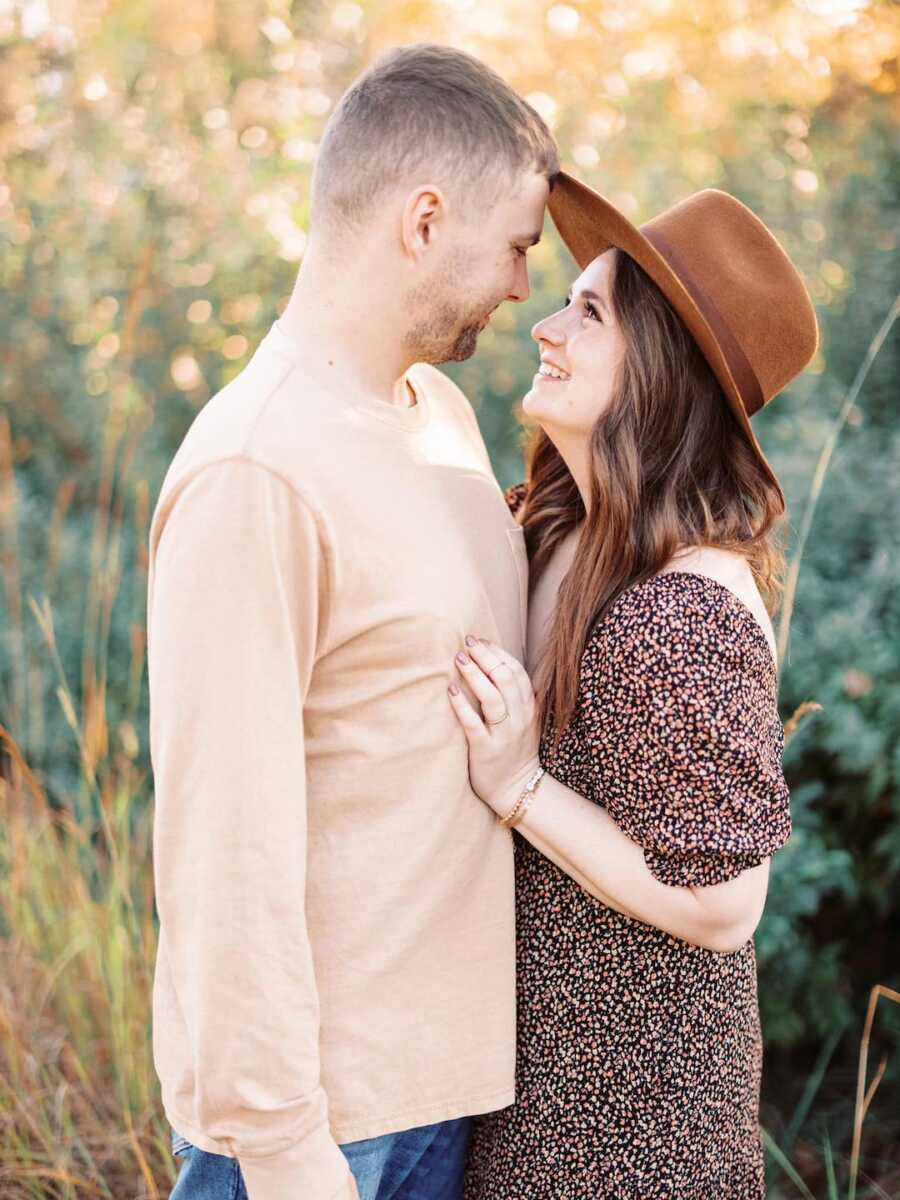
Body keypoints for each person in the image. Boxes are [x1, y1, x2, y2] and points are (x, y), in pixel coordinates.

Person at [146, 44, 558, 1200]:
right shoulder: (255, 469)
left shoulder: (435, 413)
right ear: (425, 221)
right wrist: (284, 1156)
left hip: (442, 1095)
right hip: (324, 1136)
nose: (525, 285)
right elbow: (224, 847)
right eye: (519, 244)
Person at [448, 176, 818, 1198]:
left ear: (659, 372)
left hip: (629, 1123)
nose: (548, 328)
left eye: (591, 311)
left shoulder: (680, 606)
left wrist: (521, 786)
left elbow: (725, 904)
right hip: (532, 1089)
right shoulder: (559, 528)